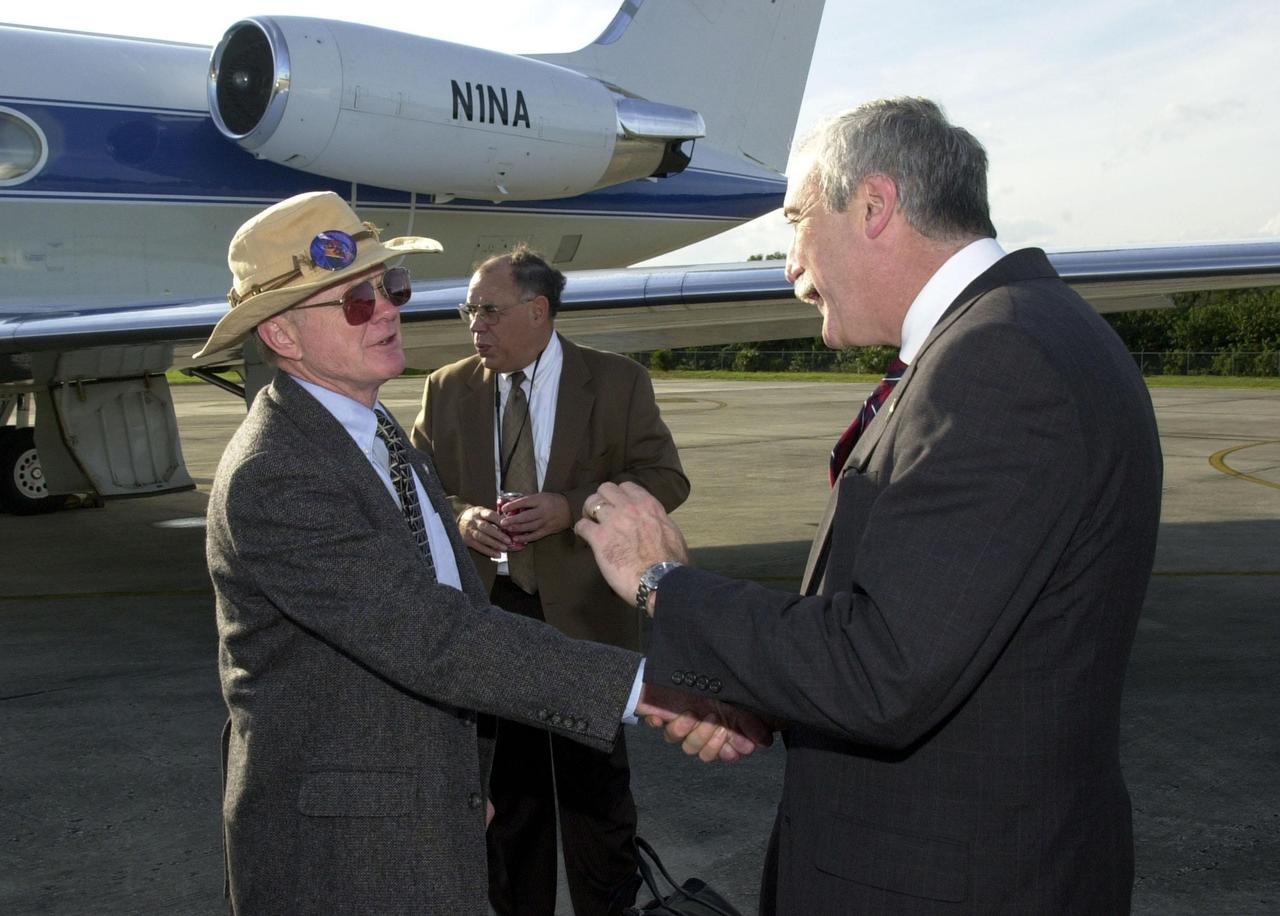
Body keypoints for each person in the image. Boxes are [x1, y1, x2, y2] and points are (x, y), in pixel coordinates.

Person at [576, 98, 1163, 914]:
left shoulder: (1000, 360)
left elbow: (885, 670)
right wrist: (764, 698)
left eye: (796, 222)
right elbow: (935, 635)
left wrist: (662, 584)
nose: (789, 265)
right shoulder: (1018, 333)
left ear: (875, 206)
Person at [194, 191, 766, 915]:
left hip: (414, 811)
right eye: (358, 302)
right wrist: (654, 690)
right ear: (281, 334)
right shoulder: (279, 472)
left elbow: (442, 598)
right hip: (344, 851)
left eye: (391, 287)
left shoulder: (371, 432)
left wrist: (461, 781)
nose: (389, 310)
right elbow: (430, 634)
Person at [411, 246, 689, 916]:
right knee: (511, 803)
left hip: (585, 620)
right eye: (468, 311)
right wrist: (461, 517)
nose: (475, 325)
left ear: (538, 311)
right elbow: (415, 491)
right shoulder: (446, 388)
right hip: (494, 617)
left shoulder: (616, 382)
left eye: (488, 310)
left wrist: (572, 507)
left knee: (598, 802)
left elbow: (665, 478)